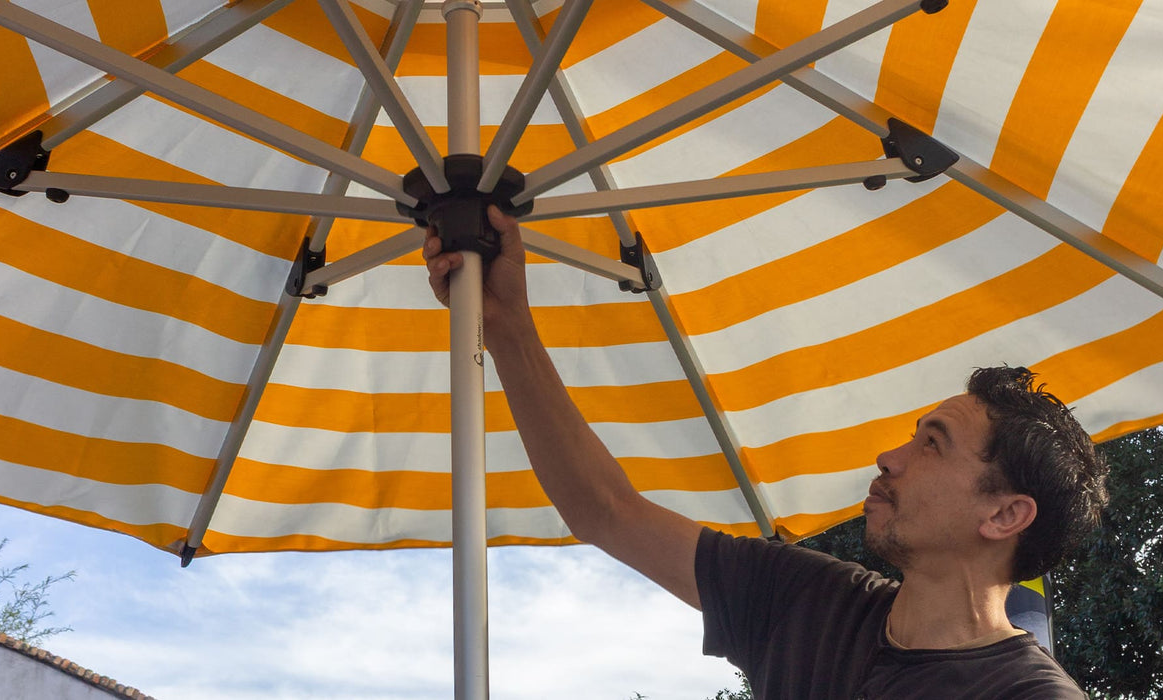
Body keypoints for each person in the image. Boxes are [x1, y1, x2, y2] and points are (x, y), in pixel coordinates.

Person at [423, 206, 1109, 699]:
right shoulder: (806, 600)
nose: (889, 457)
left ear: (1004, 514)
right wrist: (507, 325)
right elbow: (604, 511)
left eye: (932, 445)